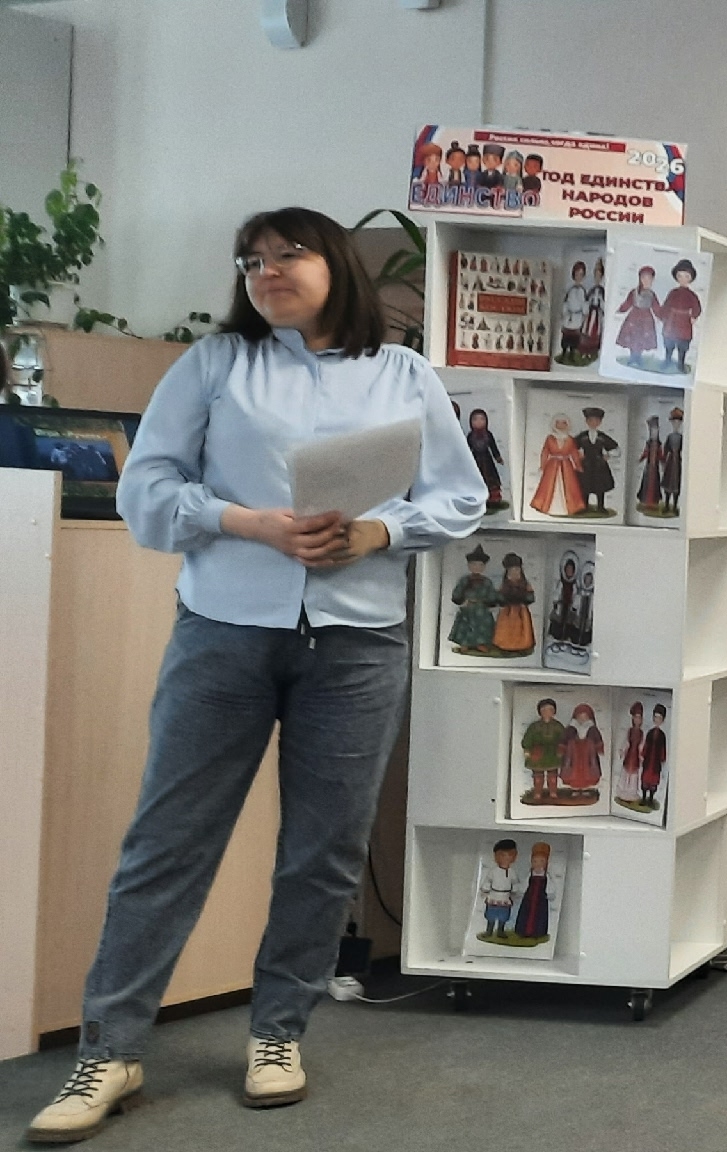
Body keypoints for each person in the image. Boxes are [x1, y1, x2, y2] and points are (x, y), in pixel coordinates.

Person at [25, 207, 482, 1143]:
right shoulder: (215, 365)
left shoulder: (403, 374)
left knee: (323, 851)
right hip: (224, 634)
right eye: (251, 261)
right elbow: (145, 490)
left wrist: (378, 531)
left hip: (357, 644)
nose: (266, 271)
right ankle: (109, 1048)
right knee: (168, 842)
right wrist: (251, 523)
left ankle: (278, 1033)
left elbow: (460, 496)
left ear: (335, 265)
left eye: (287, 254)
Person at [447, 546, 500, 656]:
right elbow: (457, 593)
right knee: (466, 625)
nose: (477, 567)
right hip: (468, 607)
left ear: (484, 567)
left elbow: (492, 594)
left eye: (480, 565)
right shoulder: (464, 580)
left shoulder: (487, 582)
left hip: (481, 608)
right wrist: (462, 600)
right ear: (469, 565)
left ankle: (481, 643)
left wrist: (490, 602)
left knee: (483, 625)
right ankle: (465, 643)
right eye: (474, 564)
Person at [530, 415, 584, 516]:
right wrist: (542, 465)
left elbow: (574, 453)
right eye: (558, 423)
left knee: (569, 485)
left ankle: (570, 507)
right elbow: (545, 452)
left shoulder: (570, 439)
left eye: (563, 423)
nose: (561, 425)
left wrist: (578, 465)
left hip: (567, 466)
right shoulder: (550, 438)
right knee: (549, 485)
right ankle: (547, 506)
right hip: (552, 465)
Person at [658, 260, 704, 374]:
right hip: (671, 321)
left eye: (686, 276)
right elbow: (667, 305)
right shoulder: (673, 293)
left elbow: (697, 307)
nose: (683, 279)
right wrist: (662, 316)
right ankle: (667, 361)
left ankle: (681, 364)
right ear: (677, 277)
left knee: (683, 345)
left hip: (684, 322)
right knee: (669, 343)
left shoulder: (692, 295)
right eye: (680, 276)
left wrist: (694, 316)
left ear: (690, 278)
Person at [614, 264, 662, 370]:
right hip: (634, 317)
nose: (646, 281)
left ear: (652, 280)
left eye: (649, 279)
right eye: (644, 278)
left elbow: (656, 307)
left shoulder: (652, 294)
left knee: (642, 339)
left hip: (646, 319)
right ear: (640, 279)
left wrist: (661, 316)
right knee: (633, 338)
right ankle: (633, 357)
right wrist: (620, 310)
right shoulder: (634, 292)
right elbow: (628, 303)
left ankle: (638, 358)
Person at [520, 698, 567, 805]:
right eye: (544, 710)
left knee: (552, 776)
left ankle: (553, 793)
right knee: (538, 776)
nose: (547, 712)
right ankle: (537, 793)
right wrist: (527, 749)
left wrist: (562, 749)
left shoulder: (557, 726)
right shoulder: (534, 727)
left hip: (553, 754)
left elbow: (563, 739)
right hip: (538, 753)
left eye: (550, 710)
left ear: (554, 712)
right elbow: (528, 738)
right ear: (540, 712)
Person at [574, 407, 618, 517]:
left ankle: (600, 507)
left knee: (600, 485)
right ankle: (584, 506)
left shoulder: (602, 437)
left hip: (599, 464)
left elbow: (616, 449)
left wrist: (609, 455)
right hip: (586, 464)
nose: (593, 423)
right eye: (591, 420)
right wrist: (578, 454)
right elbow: (572, 447)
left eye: (596, 421)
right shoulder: (582, 436)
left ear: (600, 422)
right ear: (587, 421)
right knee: (585, 485)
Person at [475, 841, 522, 942]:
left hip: (505, 897)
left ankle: (500, 930)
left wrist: (515, 892)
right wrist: (485, 890)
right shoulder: (493, 871)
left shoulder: (512, 872)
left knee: (503, 915)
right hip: (494, 895)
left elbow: (515, 883)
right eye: (503, 855)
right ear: (497, 856)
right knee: (491, 914)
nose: (506, 858)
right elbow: (488, 881)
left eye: (509, 855)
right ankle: (489, 930)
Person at [492, 552, 537, 657]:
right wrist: (503, 600)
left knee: (522, 629)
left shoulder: (525, 584)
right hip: (508, 611)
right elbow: (499, 596)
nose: (514, 573)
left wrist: (525, 599)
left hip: (521, 611)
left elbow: (531, 596)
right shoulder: (504, 585)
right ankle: (505, 646)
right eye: (511, 571)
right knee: (506, 628)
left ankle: (522, 646)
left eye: (517, 570)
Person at [463, 407, 506, 511]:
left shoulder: (488, 435)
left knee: (491, 480)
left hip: (487, 461)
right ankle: (477, 500)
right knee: (476, 479)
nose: (478, 422)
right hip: (475, 461)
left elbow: (493, 447)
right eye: (475, 419)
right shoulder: (470, 436)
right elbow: (467, 449)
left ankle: (492, 500)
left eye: (482, 419)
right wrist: (465, 461)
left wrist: (498, 457)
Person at [560, 704, 604, 802]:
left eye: (585, 717)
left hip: (588, 754)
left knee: (588, 771)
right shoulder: (571, 728)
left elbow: (597, 739)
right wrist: (562, 749)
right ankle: (575, 788)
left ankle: (585, 788)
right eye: (580, 716)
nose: (582, 719)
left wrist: (599, 748)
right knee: (573, 770)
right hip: (573, 753)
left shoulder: (592, 729)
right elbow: (564, 739)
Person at [513, 843, 553, 942]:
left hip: (540, 899)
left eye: (541, 861)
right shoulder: (530, 874)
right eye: (535, 861)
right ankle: (523, 931)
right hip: (529, 898)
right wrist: (520, 891)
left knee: (539, 915)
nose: (538, 864)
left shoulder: (546, 876)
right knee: (526, 913)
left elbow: (550, 886)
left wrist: (549, 893)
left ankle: (537, 932)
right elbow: (524, 884)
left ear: (546, 862)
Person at [634, 415, 669, 516]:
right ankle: (646, 501)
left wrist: (663, 462)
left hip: (655, 468)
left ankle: (654, 502)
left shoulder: (659, 444)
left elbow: (660, 454)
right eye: (652, 430)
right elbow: (645, 453)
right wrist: (640, 459)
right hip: (648, 467)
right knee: (646, 483)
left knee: (655, 484)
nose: (654, 432)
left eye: (655, 430)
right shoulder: (648, 444)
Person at [641, 704, 669, 807]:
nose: (657, 720)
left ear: (662, 720)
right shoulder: (650, 733)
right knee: (645, 778)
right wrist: (643, 754)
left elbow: (663, 749)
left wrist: (662, 757)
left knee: (653, 780)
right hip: (648, 760)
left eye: (659, 718)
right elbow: (646, 745)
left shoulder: (662, 735)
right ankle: (644, 798)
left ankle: (651, 798)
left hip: (656, 761)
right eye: (655, 717)